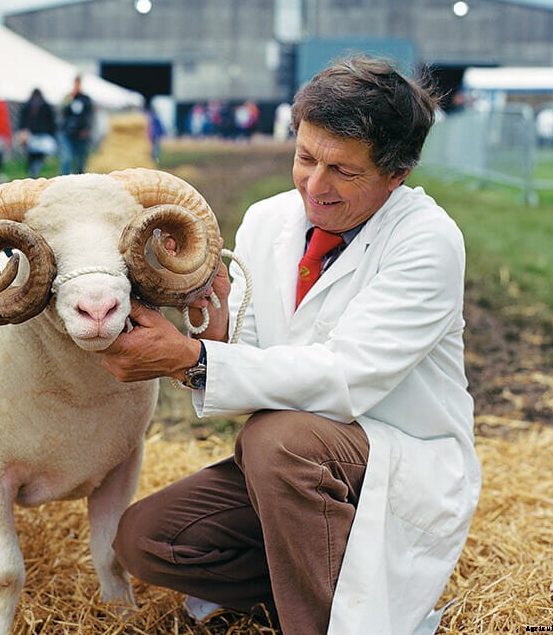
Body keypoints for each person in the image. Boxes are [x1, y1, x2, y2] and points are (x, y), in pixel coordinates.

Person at [101, 55, 481, 634]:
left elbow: (346, 378)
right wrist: (212, 319)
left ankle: (324, 622)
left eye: (343, 171)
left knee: (276, 438)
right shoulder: (268, 219)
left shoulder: (426, 241)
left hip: (390, 455)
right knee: (148, 539)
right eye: (306, 157)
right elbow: (248, 352)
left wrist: (192, 359)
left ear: (396, 173)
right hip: (295, 464)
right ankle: (318, 586)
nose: (315, 185)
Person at [16, 88, 58, 178]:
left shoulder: (28, 105)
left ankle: (33, 170)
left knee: (32, 154)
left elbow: (22, 121)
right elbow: (51, 122)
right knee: (38, 154)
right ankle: (35, 169)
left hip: (32, 134)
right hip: (41, 134)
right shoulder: (45, 105)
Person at [60, 75, 94, 174]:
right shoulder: (68, 97)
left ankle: (80, 179)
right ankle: (64, 179)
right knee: (67, 158)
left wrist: (87, 129)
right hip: (68, 132)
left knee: (81, 160)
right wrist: (70, 97)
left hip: (81, 134)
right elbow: (63, 111)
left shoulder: (85, 99)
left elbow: (89, 115)